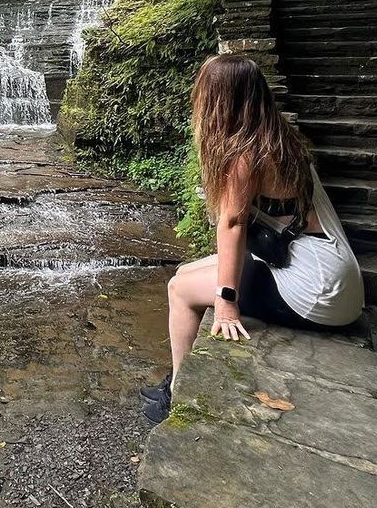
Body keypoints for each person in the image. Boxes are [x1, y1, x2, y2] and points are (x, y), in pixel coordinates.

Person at [142, 54, 364, 423]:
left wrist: (226, 300)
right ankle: (178, 377)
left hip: (316, 290)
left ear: (218, 100)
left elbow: (232, 225)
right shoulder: (279, 139)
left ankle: (179, 390)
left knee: (179, 291)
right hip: (327, 272)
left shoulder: (244, 155)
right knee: (184, 273)